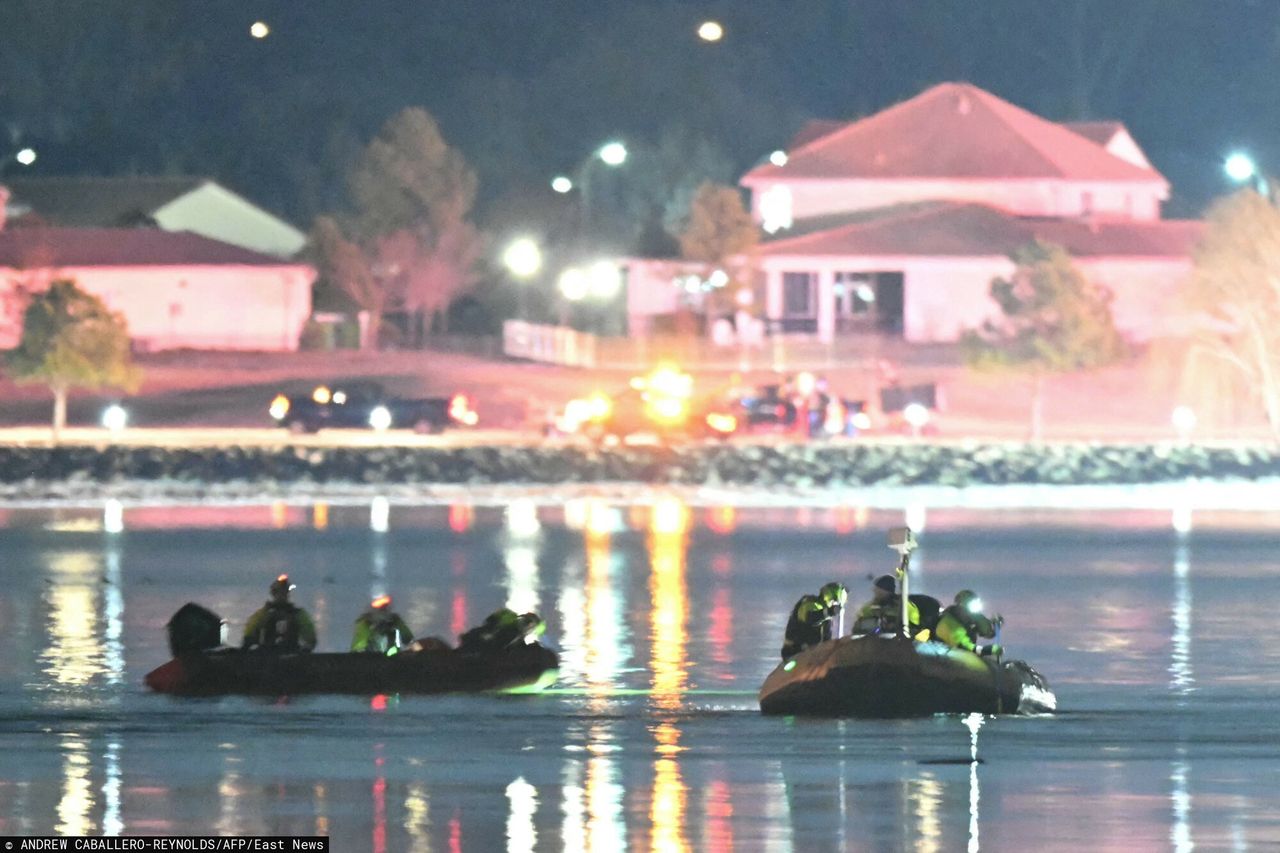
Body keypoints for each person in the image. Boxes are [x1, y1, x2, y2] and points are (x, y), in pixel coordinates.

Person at [242, 574, 317, 652]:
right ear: (274, 594)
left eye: (284, 592)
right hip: (267, 655)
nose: (282, 595)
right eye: (279, 592)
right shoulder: (263, 614)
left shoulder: (298, 614)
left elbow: (310, 639)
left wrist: (305, 650)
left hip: (291, 653)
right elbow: (249, 635)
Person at [935, 590, 1002, 656]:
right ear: (961, 604)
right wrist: (987, 650)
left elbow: (988, 632)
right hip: (948, 656)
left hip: (964, 655)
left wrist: (995, 624)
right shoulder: (949, 621)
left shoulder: (974, 618)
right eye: (971, 603)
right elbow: (963, 645)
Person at [851, 574, 921, 637]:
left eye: (879, 591)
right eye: (876, 591)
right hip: (874, 642)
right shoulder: (869, 607)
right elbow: (858, 626)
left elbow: (914, 627)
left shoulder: (904, 606)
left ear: (887, 591)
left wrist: (893, 624)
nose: (876, 593)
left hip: (898, 642)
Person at [459, 608, 546, 652]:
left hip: (479, 646)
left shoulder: (516, 634)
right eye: (528, 623)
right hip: (481, 649)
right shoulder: (513, 631)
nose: (527, 626)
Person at [780, 592, 831, 660]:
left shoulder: (826, 620)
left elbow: (826, 638)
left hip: (810, 652)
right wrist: (826, 613)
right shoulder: (808, 605)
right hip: (793, 651)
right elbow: (811, 617)